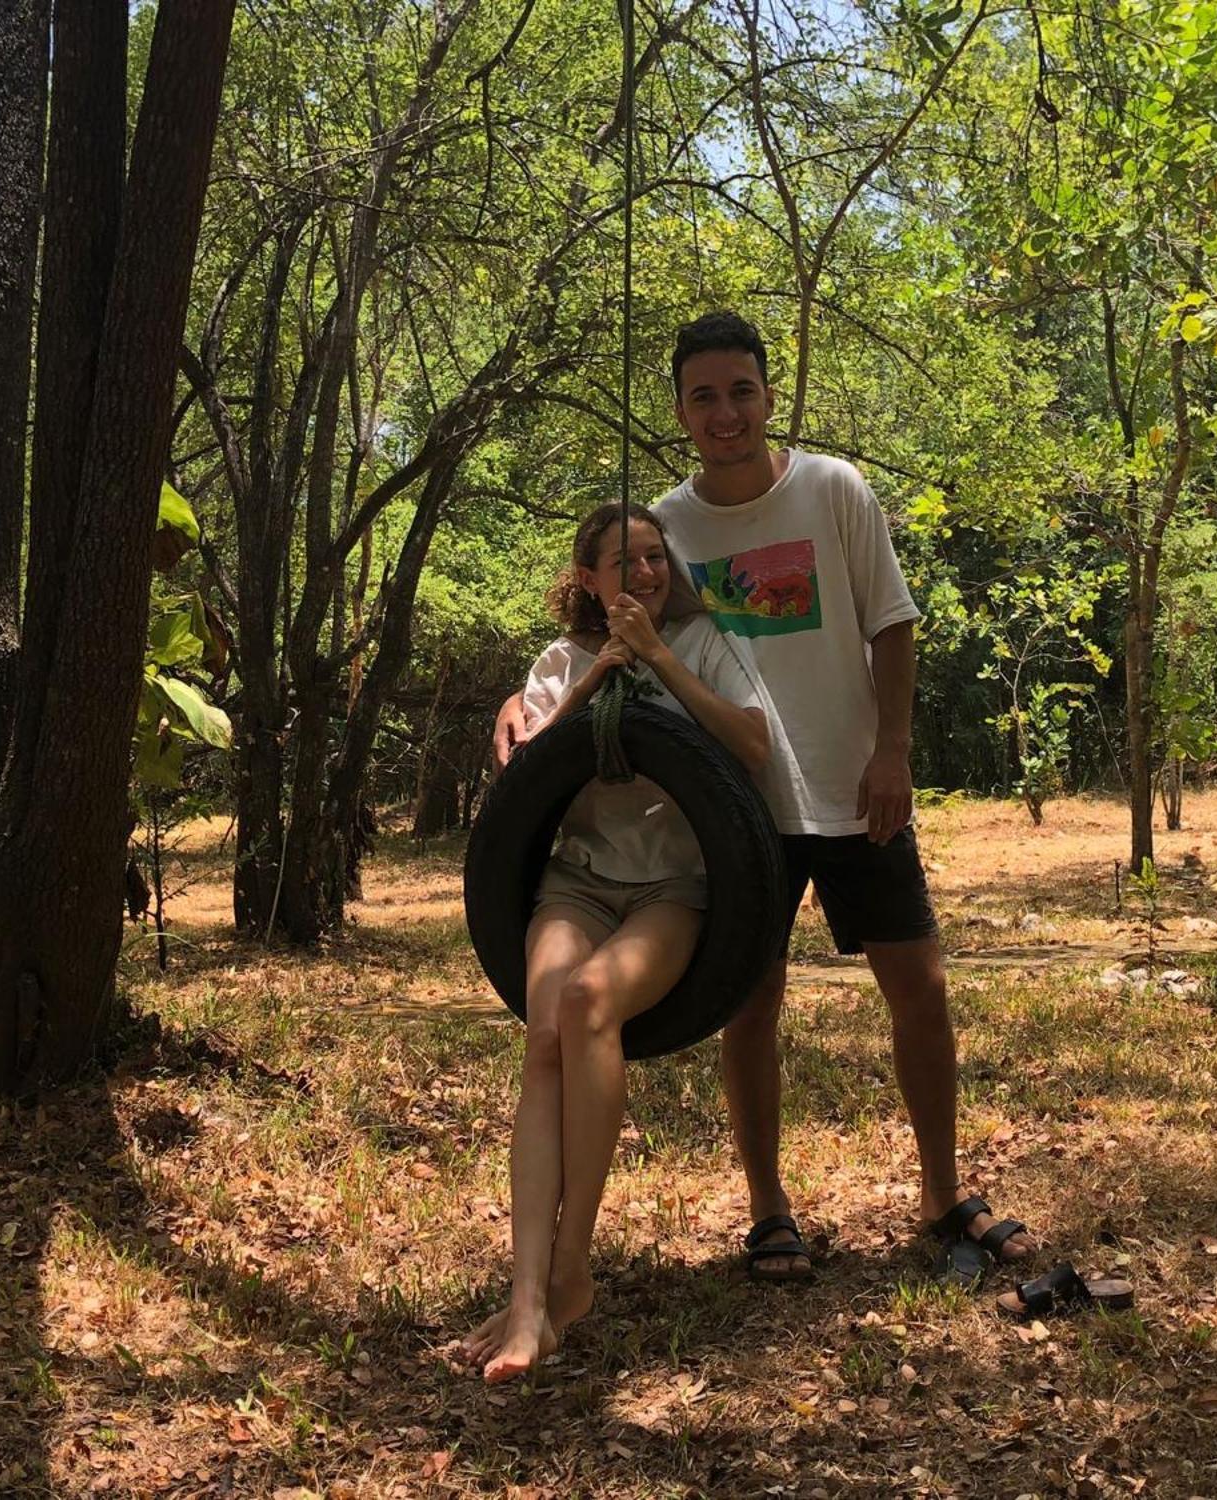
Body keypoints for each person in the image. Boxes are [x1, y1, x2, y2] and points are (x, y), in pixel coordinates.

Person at [491, 312, 1033, 1287]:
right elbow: (601, 632)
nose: (724, 412)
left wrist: (892, 753)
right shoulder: (666, 524)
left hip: (852, 783)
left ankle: (942, 1192)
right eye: (703, 396)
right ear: (680, 412)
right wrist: (519, 703)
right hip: (738, 811)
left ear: (766, 394)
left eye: (740, 391)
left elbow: (891, 624)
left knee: (918, 986)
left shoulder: (831, 489)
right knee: (751, 1009)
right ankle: (766, 1208)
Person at [463, 501, 772, 1382]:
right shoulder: (557, 664)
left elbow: (751, 746)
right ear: (590, 581)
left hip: (675, 890)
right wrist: (602, 672)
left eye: (654, 558)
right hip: (578, 881)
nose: (644, 574)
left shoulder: (706, 643)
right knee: (548, 1030)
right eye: (623, 562)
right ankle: (529, 1296)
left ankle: (569, 1271)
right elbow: (528, 776)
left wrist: (662, 658)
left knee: (592, 1001)